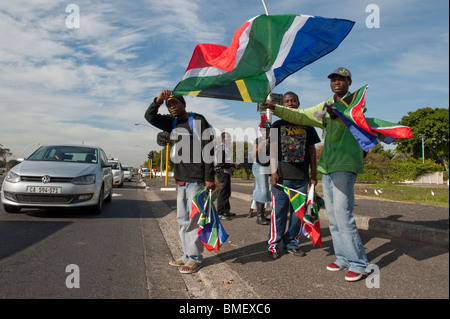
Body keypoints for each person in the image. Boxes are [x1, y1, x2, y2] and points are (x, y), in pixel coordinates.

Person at [264, 67, 369, 282]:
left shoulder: (355, 102)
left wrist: (336, 112)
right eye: (333, 79)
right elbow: (300, 115)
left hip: (344, 166)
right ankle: (342, 258)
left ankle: (359, 264)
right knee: (332, 216)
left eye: (342, 79)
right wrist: (274, 108)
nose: (337, 82)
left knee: (343, 215)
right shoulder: (325, 106)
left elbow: (354, 113)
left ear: (349, 82)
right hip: (328, 168)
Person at [144, 89, 215, 274]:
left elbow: (209, 147)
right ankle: (186, 256)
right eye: (169, 105)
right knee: (182, 219)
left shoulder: (197, 120)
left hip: (197, 179)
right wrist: (158, 100)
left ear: (184, 103)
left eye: (175, 103)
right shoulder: (172, 122)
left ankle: (195, 258)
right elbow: (149, 117)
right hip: (181, 179)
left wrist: (209, 177)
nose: (172, 107)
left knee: (193, 220)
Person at [267, 91, 320, 259]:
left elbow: (311, 152)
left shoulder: (308, 125)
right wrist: (273, 171)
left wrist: (313, 174)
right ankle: (273, 245)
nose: (290, 103)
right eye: (287, 101)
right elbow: (273, 150)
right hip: (281, 178)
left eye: (293, 101)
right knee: (279, 213)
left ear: (298, 103)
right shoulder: (277, 125)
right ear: (283, 105)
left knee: (298, 215)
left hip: (301, 179)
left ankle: (292, 243)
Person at [251, 119, 272, 225]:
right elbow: (253, 155)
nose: (265, 132)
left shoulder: (273, 140)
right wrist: (262, 144)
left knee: (265, 191)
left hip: (268, 167)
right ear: (260, 131)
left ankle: (262, 215)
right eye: (263, 130)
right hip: (259, 166)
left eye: (267, 130)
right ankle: (259, 217)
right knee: (262, 190)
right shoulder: (258, 140)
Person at [214, 132, 238, 220]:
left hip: (226, 172)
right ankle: (220, 212)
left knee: (227, 192)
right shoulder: (221, 148)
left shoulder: (226, 148)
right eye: (229, 137)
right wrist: (233, 165)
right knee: (223, 192)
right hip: (222, 172)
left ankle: (226, 211)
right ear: (223, 139)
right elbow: (221, 163)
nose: (230, 139)